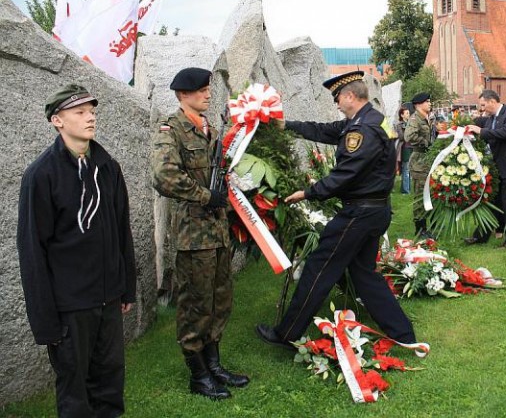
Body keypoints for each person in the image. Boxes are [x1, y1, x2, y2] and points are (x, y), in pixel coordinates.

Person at [255, 70, 418, 349]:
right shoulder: (371, 120)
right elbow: (324, 130)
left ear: (350, 96)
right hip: (375, 211)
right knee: (363, 273)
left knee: (318, 268)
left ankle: (287, 333)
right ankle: (403, 334)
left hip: (358, 214)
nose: (336, 105)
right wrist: (286, 126)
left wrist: (308, 192)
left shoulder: (361, 130)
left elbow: (346, 174)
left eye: (338, 99)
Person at [17, 84, 137, 417]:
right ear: (57, 120)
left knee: (110, 383)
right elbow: (32, 250)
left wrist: (126, 285)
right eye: (80, 112)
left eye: (92, 112)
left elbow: (120, 228)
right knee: (74, 392)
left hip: (108, 298)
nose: (90, 118)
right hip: (70, 306)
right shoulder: (41, 175)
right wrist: (45, 321)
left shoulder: (107, 166)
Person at [151, 68, 248, 400]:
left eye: (208, 89)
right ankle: (198, 375)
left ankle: (214, 365)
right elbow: (164, 176)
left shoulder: (212, 130)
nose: (208, 95)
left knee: (220, 299)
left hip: (217, 231)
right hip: (193, 235)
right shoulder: (171, 129)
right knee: (195, 303)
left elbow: (217, 172)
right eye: (201, 90)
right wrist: (207, 196)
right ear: (183, 95)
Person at [465, 91, 506, 247]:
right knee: (491, 201)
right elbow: (483, 126)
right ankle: (481, 236)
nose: (482, 109)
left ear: (492, 101)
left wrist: (480, 131)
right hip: (498, 166)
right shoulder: (491, 118)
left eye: (484, 105)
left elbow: (503, 133)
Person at [404, 92, 433, 237]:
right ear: (418, 104)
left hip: (427, 160)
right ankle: (420, 229)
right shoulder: (415, 118)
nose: (430, 103)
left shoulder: (426, 118)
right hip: (419, 162)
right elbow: (408, 136)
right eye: (427, 101)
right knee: (420, 196)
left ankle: (428, 228)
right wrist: (425, 142)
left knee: (429, 194)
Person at [394, 105, 412, 194]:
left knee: (409, 169)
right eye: (407, 113)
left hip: (412, 148)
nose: (409, 114)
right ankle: (406, 190)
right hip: (404, 148)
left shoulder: (411, 123)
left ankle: (406, 188)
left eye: (409, 113)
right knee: (406, 169)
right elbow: (402, 137)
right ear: (402, 115)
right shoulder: (399, 125)